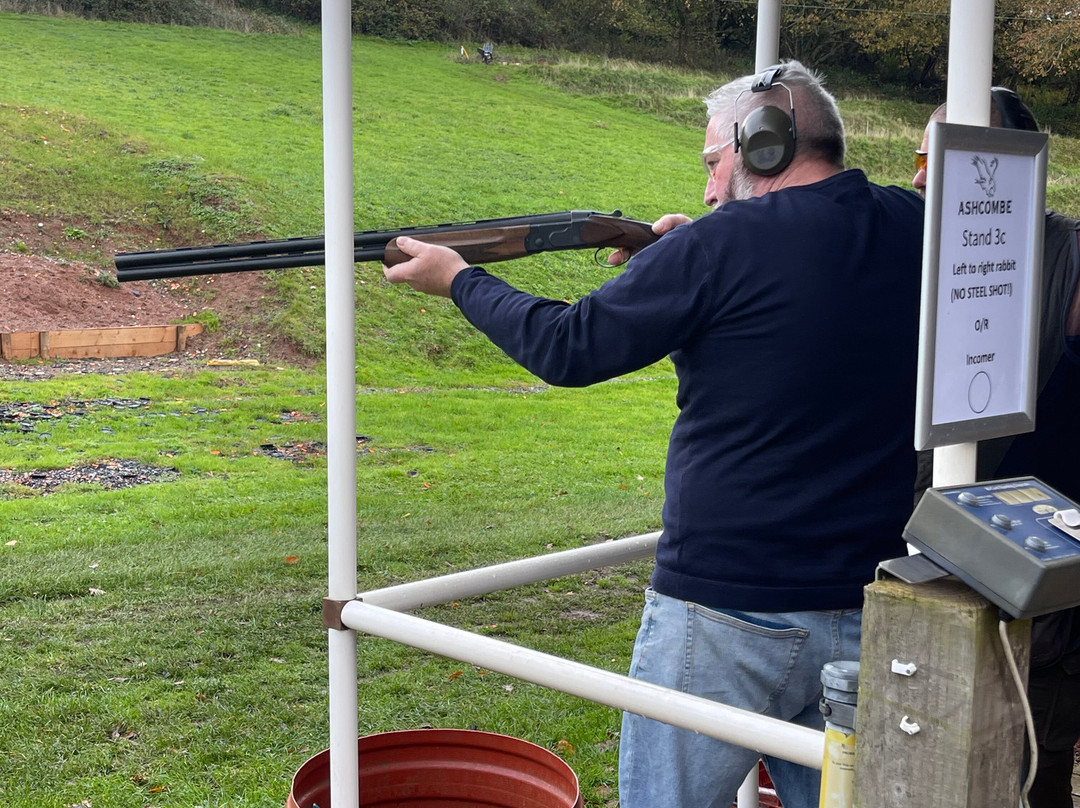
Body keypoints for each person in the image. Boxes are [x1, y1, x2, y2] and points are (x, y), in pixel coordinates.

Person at [384, 59, 925, 808]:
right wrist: (678, 260)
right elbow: (787, 321)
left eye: (714, 162)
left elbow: (568, 349)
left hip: (729, 607)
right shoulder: (915, 226)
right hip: (871, 601)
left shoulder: (718, 246)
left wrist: (460, 280)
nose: (707, 189)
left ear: (763, 143)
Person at [912, 88, 1080, 808]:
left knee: (1030, 774)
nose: (921, 176)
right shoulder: (920, 246)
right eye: (921, 156)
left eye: (939, 156)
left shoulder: (1072, 256)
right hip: (936, 560)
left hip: (1045, 589)